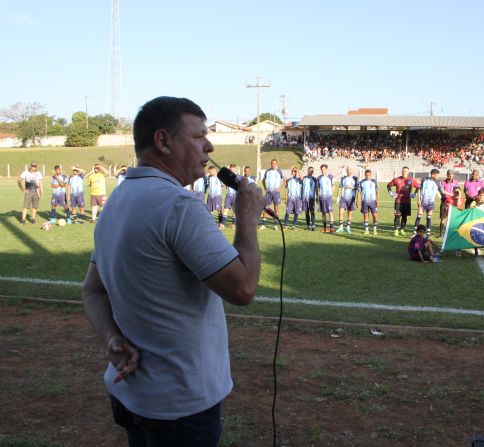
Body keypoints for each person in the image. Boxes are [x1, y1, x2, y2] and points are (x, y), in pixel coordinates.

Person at [81, 96, 266, 447]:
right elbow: (243, 289)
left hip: (133, 394)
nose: (209, 145)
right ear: (163, 141)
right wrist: (246, 215)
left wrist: (112, 339)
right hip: (180, 403)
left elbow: (92, 290)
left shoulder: (116, 202)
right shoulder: (179, 205)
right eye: (199, 136)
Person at [387, 166, 420, 236]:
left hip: (407, 201)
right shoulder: (396, 179)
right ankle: (396, 230)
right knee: (397, 215)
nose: (404, 172)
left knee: (404, 216)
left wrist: (415, 194)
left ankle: (402, 229)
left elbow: (418, 187)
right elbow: (388, 185)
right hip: (398, 201)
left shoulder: (412, 180)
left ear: (408, 172)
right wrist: (391, 193)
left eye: (405, 171)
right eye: (403, 171)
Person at [413, 169, 447, 236]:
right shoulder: (424, 179)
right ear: (433, 174)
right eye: (437, 175)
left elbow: (442, 191)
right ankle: (414, 232)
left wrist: (451, 194)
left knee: (429, 217)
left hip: (430, 203)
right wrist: (418, 200)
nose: (437, 176)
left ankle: (428, 233)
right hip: (422, 202)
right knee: (418, 216)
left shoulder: (437, 182)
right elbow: (419, 189)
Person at [261, 159, 284, 230]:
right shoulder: (268, 171)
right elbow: (263, 179)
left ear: (277, 164)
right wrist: (265, 187)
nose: (273, 165)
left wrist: (280, 188)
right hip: (269, 192)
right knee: (266, 207)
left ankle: (275, 225)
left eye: (274, 164)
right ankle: (263, 225)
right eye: (272, 164)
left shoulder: (279, 171)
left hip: (276, 192)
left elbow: (285, 180)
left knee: (276, 207)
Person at [470, 188, 484, 257]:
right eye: (479, 195)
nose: (480, 197)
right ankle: (476, 251)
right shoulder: (473, 203)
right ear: (477, 195)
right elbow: (471, 212)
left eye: (482, 195)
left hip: (483, 224)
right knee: (475, 237)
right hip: (475, 223)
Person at [336, 166, 358, 233]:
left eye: (350, 169)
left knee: (349, 213)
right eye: (348, 170)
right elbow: (340, 188)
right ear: (346, 171)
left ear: (352, 170)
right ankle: (341, 227)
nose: (349, 171)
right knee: (340, 213)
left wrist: (351, 187)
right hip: (343, 198)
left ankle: (348, 227)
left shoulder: (355, 178)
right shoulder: (343, 178)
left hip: (351, 198)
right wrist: (338, 198)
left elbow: (357, 188)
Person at [357, 169, 379, 235]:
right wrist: (357, 201)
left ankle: (375, 229)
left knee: (375, 215)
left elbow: (377, 192)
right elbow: (359, 192)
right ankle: (366, 230)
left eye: (369, 175)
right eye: (366, 175)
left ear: (371, 175)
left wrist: (378, 200)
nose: (368, 176)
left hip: (373, 201)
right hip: (364, 202)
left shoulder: (374, 182)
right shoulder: (361, 182)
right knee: (365, 215)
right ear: (364, 175)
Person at [439, 170, 459, 237]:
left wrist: (456, 193)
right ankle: (441, 233)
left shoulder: (456, 182)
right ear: (447, 175)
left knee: (453, 218)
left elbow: (458, 191)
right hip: (444, 201)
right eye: (449, 175)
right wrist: (447, 197)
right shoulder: (443, 182)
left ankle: (451, 233)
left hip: (453, 202)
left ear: (453, 175)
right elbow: (441, 192)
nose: (450, 177)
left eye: (451, 175)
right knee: (443, 218)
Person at [316, 164, 335, 233]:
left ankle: (331, 228)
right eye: (322, 169)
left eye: (324, 169)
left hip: (328, 197)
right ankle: (324, 228)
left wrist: (330, 194)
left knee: (330, 212)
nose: (323, 171)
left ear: (327, 169)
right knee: (323, 212)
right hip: (321, 197)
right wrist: (318, 196)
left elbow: (333, 187)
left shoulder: (330, 177)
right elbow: (318, 188)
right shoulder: (319, 178)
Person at [301, 166, 317, 231]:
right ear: (308, 171)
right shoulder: (304, 178)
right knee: (306, 212)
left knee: (312, 211)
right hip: (305, 197)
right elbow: (301, 188)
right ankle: (308, 225)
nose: (311, 172)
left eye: (312, 171)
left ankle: (313, 225)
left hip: (311, 197)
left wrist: (317, 197)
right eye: (310, 170)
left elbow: (316, 189)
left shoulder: (314, 179)